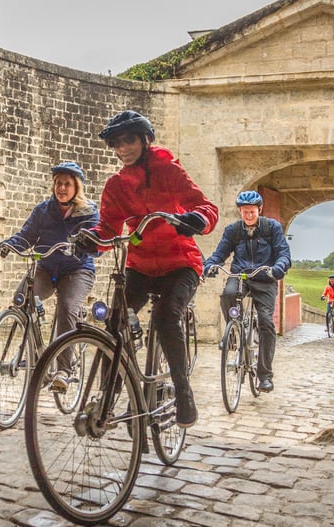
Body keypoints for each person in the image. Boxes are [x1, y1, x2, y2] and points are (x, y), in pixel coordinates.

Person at [72, 110, 217, 428]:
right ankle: (108, 398)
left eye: (130, 140)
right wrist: (90, 240)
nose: (124, 148)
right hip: (139, 265)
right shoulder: (116, 185)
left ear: (145, 140)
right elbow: (108, 229)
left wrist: (197, 219)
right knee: (114, 322)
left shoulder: (168, 170)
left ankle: (183, 392)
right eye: (117, 143)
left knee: (166, 317)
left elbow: (204, 205)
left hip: (181, 264)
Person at [0, 161, 99, 390]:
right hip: (46, 267)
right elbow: (26, 236)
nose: (62, 188)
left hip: (77, 269)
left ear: (76, 188)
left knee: (66, 306)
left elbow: (97, 242)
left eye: (67, 184)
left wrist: (86, 246)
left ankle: (64, 370)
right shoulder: (43, 210)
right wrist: (9, 245)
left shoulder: (88, 213)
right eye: (58, 184)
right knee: (22, 299)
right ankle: (37, 359)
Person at [203, 190, 291, 393]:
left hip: (265, 278)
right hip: (240, 276)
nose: (248, 215)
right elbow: (219, 254)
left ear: (259, 210)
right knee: (227, 295)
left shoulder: (272, 228)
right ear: (240, 212)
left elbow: (283, 253)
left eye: (252, 211)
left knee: (266, 323)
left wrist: (278, 267)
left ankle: (265, 376)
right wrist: (210, 265)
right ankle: (235, 332)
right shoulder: (233, 231)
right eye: (244, 212)